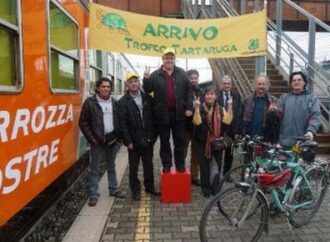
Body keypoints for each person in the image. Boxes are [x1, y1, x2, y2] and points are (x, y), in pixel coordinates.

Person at [143, 47, 193, 173]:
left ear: (174, 59)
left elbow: (189, 91)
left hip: (179, 114)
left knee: (179, 141)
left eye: (171, 58)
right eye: (166, 58)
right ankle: (167, 164)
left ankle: (180, 164)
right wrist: (146, 79)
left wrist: (189, 107)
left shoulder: (182, 73)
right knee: (164, 142)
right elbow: (148, 90)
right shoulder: (155, 75)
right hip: (162, 114)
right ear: (163, 59)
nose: (169, 60)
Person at [79, 77, 125, 207]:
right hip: (97, 141)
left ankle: (114, 189)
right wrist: (92, 139)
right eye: (103, 86)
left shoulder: (115, 103)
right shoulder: (90, 102)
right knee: (94, 169)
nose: (106, 89)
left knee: (111, 166)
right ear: (98, 88)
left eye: (108, 87)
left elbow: (119, 121)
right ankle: (93, 195)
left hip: (111, 139)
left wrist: (118, 137)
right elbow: (83, 123)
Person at [118, 72, 160, 201]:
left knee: (148, 165)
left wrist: (153, 136)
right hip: (133, 141)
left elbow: (153, 118)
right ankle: (135, 190)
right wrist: (127, 141)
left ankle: (149, 187)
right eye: (130, 82)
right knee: (134, 167)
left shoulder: (147, 97)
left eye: (135, 81)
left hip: (147, 139)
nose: (133, 84)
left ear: (138, 83)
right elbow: (122, 123)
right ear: (127, 84)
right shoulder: (123, 102)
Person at [193, 86, 233, 197]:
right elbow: (197, 123)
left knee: (216, 166)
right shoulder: (199, 108)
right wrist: (196, 108)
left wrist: (229, 106)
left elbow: (227, 121)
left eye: (212, 94)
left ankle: (215, 188)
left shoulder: (220, 109)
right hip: (202, 142)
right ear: (204, 96)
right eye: (207, 94)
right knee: (204, 166)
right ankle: (205, 189)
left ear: (215, 96)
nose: (210, 96)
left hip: (217, 143)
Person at [277, 71, 321, 147]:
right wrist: (273, 111)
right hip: (283, 142)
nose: (296, 82)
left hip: (302, 143)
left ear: (304, 82)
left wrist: (311, 131)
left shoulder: (312, 98)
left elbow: (315, 116)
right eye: (294, 80)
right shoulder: (284, 98)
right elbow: (278, 115)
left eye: (299, 80)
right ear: (291, 83)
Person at [240, 74, 279, 143]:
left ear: (267, 86)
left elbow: (278, 120)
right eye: (259, 84)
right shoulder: (247, 100)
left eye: (263, 84)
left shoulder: (273, 101)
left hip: (266, 137)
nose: (261, 86)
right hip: (249, 135)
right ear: (255, 85)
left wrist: (274, 112)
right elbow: (240, 117)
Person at [217, 75, 241, 182]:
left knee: (229, 154)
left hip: (232, 130)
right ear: (221, 84)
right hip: (220, 129)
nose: (226, 85)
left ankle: (226, 174)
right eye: (224, 83)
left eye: (228, 83)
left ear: (231, 85)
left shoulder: (236, 96)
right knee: (217, 154)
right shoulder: (216, 96)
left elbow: (239, 114)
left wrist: (237, 131)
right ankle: (216, 175)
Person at [183, 69, 203, 186]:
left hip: (198, 128)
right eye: (191, 78)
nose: (194, 80)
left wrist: (198, 107)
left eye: (195, 78)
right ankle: (181, 172)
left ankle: (194, 176)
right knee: (183, 152)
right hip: (185, 127)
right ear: (188, 79)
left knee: (196, 153)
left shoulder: (202, 91)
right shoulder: (183, 91)